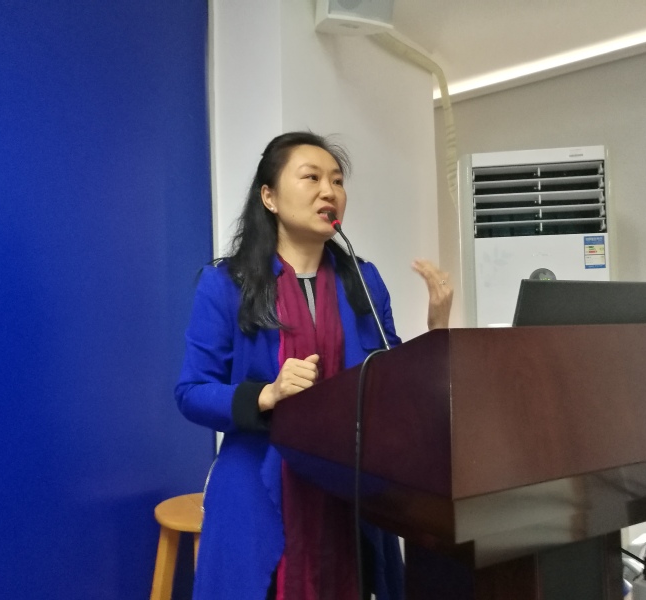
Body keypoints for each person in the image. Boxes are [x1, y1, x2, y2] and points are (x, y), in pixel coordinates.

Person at [175, 132, 453, 600]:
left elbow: (392, 379)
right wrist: (267, 394)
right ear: (269, 197)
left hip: (349, 490)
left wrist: (437, 331)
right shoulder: (225, 284)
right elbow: (191, 392)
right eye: (312, 178)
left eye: (337, 181)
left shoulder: (363, 279)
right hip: (259, 486)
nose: (329, 191)